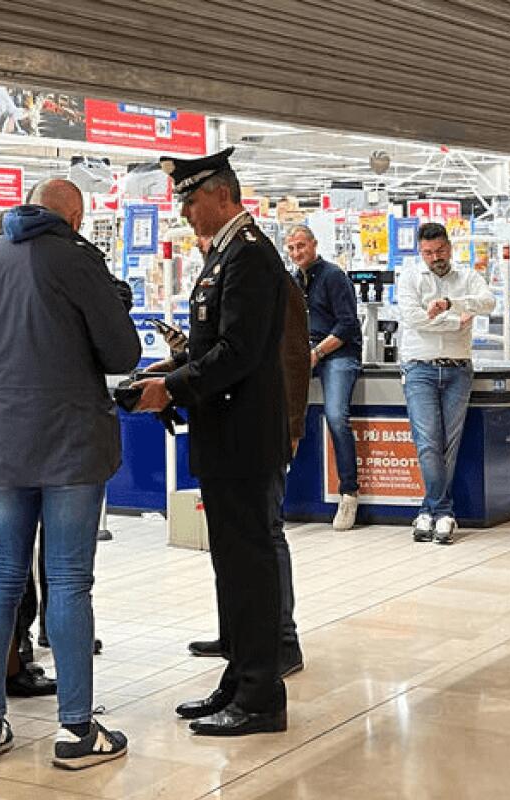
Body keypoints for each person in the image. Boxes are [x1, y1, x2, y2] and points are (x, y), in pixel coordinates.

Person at [0, 178, 139, 770]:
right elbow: (123, 354)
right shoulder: (78, 261)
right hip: (70, 444)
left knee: (0, 577)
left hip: (0, 444)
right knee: (69, 580)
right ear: (74, 217)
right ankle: (76, 730)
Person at [135, 147, 291, 736]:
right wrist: (171, 369)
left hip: (244, 437)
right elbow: (215, 344)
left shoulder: (249, 255)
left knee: (249, 566)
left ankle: (261, 696)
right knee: (231, 564)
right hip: (225, 433)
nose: (185, 212)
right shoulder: (225, 254)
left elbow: (239, 352)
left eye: (191, 199)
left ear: (222, 194)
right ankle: (239, 678)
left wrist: (173, 388)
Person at [180, 236, 311, 678]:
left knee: (266, 533)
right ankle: (237, 633)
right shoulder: (223, 276)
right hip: (232, 429)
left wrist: (292, 424)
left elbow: (294, 357)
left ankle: (282, 640)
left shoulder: (266, 276)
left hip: (265, 429)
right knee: (233, 540)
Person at [397, 222, 495, 545]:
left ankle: (430, 513)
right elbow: (413, 318)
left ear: (449, 248)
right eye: (428, 252)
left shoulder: (467, 277)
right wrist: (456, 322)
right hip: (419, 369)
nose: (435, 257)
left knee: (448, 444)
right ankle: (443, 511)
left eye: (439, 250)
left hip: (458, 370)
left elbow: (488, 302)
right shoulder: (410, 278)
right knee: (428, 442)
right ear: (420, 252)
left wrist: (451, 304)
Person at [285, 224, 362, 530]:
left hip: (338, 353)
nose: (296, 253)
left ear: (314, 244)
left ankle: (349, 492)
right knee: (282, 414)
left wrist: (315, 353)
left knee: (336, 416)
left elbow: (347, 325)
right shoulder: (292, 282)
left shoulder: (333, 276)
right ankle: (276, 488)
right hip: (306, 353)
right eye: (291, 248)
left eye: (301, 246)